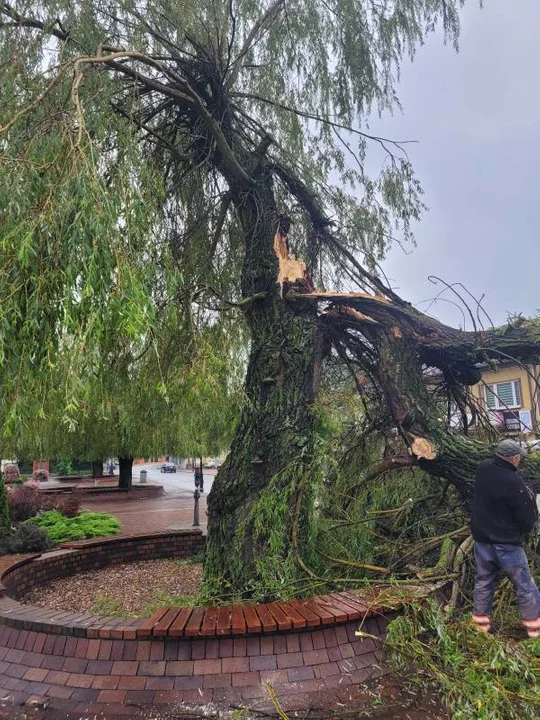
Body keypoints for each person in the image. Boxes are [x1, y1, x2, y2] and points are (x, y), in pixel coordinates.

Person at [471, 438, 540, 637]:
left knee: (483, 582)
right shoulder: (513, 482)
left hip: (483, 540)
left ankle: (480, 627)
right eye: (518, 458)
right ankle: (534, 631)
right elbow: (527, 519)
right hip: (507, 544)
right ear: (514, 458)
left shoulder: (483, 469)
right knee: (525, 586)